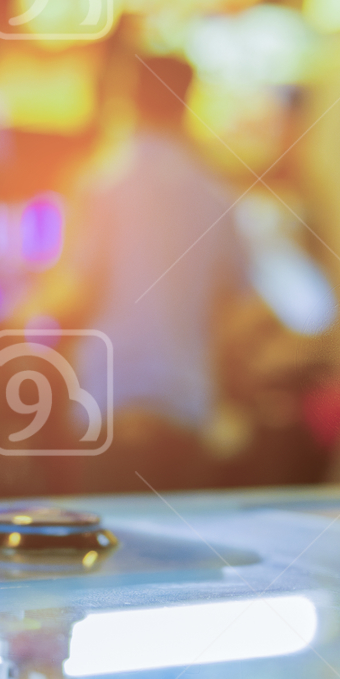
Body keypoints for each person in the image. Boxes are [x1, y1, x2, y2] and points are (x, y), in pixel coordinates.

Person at [68, 54, 248, 491]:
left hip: (111, 401)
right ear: (187, 101)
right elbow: (239, 302)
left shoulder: (104, 181)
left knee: (105, 526)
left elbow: (75, 287)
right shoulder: (215, 192)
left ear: (128, 99)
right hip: (187, 407)